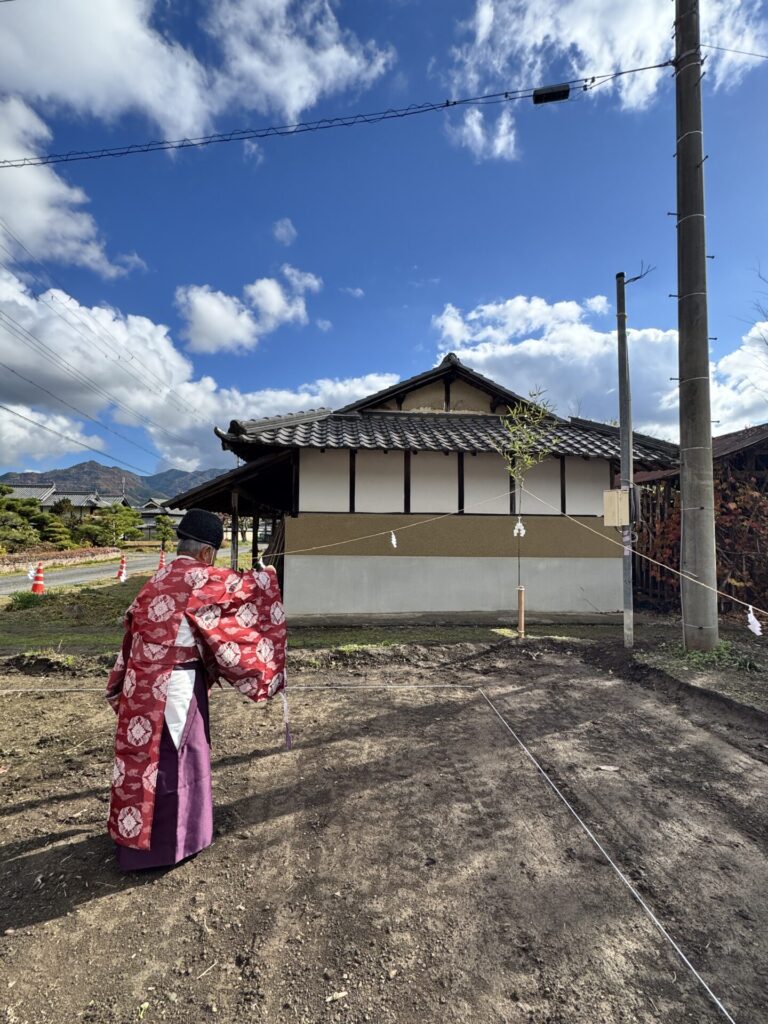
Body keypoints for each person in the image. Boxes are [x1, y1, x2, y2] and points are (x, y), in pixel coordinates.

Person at [105, 508, 287, 870]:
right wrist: (268, 575)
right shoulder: (201, 577)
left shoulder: (157, 577)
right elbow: (249, 593)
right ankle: (170, 846)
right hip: (175, 684)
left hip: (140, 684)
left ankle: (132, 841)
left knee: (139, 761)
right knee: (176, 758)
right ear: (206, 552)